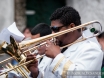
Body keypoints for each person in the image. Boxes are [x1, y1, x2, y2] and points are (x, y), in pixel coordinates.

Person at [27, 6, 103, 78]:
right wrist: (36, 73)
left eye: (56, 29)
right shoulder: (57, 47)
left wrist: (57, 56)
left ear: (72, 27)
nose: (52, 34)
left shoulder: (92, 49)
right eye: (52, 29)